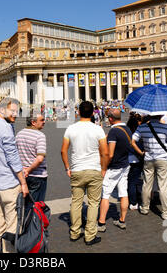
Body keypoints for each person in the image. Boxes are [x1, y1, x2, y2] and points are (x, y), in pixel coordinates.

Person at [0, 97, 29, 253]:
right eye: (13, 111)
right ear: (2, 110)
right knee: (12, 226)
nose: (15, 114)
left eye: (17, 111)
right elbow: (13, 159)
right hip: (9, 184)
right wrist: (23, 183)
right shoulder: (5, 128)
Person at [61, 101, 108, 246]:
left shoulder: (71, 128)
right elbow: (105, 152)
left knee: (76, 202)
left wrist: (67, 168)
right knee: (93, 203)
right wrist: (104, 169)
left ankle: (75, 232)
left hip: (77, 169)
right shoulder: (98, 129)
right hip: (94, 169)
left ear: (78, 112)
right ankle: (90, 235)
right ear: (93, 113)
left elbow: (63, 150)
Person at [132, 114, 167, 220]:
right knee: (162, 186)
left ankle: (145, 208)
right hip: (162, 159)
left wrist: (140, 152)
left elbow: (133, 141)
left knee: (146, 184)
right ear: (160, 116)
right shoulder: (165, 127)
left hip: (148, 158)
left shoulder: (142, 127)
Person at [98, 109, 132, 231]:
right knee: (124, 193)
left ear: (111, 118)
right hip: (125, 165)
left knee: (105, 195)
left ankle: (101, 223)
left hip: (114, 167)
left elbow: (110, 154)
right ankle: (122, 220)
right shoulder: (127, 129)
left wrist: (104, 168)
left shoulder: (114, 131)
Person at [15, 110, 47, 213]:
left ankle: (24, 227)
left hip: (23, 175)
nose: (44, 122)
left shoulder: (19, 134)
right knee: (36, 207)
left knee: (25, 205)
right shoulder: (40, 135)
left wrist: (24, 170)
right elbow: (40, 158)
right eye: (41, 120)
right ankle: (33, 228)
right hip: (37, 176)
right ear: (33, 122)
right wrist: (29, 169)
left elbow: (16, 154)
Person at [126, 113, 143, 210]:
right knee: (137, 180)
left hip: (129, 159)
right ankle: (138, 200)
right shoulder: (138, 134)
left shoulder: (127, 133)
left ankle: (133, 202)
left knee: (131, 181)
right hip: (137, 158)